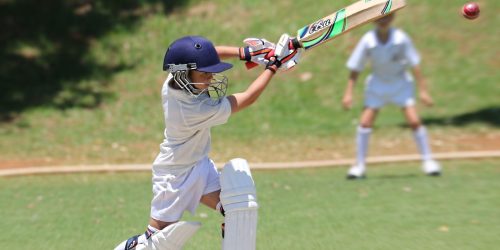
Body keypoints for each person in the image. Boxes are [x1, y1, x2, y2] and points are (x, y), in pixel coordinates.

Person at [114, 35, 300, 249]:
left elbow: (207, 55)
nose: (211, 78)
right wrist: (273, 65)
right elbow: (248, 97)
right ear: (184, 74)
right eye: (205, 74)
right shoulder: (192, 110)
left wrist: (246, 53)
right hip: (174, 175)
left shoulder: (174, 79)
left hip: (199, 164)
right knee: (156, 242)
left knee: (239, 209)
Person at [342, 14, 441, 179]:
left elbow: (415, 64)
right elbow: (356, 67)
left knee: (415, 121)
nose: (383, 21)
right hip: (377, 85)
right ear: (372, 19)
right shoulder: (367, 41)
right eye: (380, 17)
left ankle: (428, 161)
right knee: (365, 123)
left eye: (387, 17)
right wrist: (348, 93)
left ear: (393, 17)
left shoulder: (401, 38)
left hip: (400, 83)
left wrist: (423, 91)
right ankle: (359, 166)